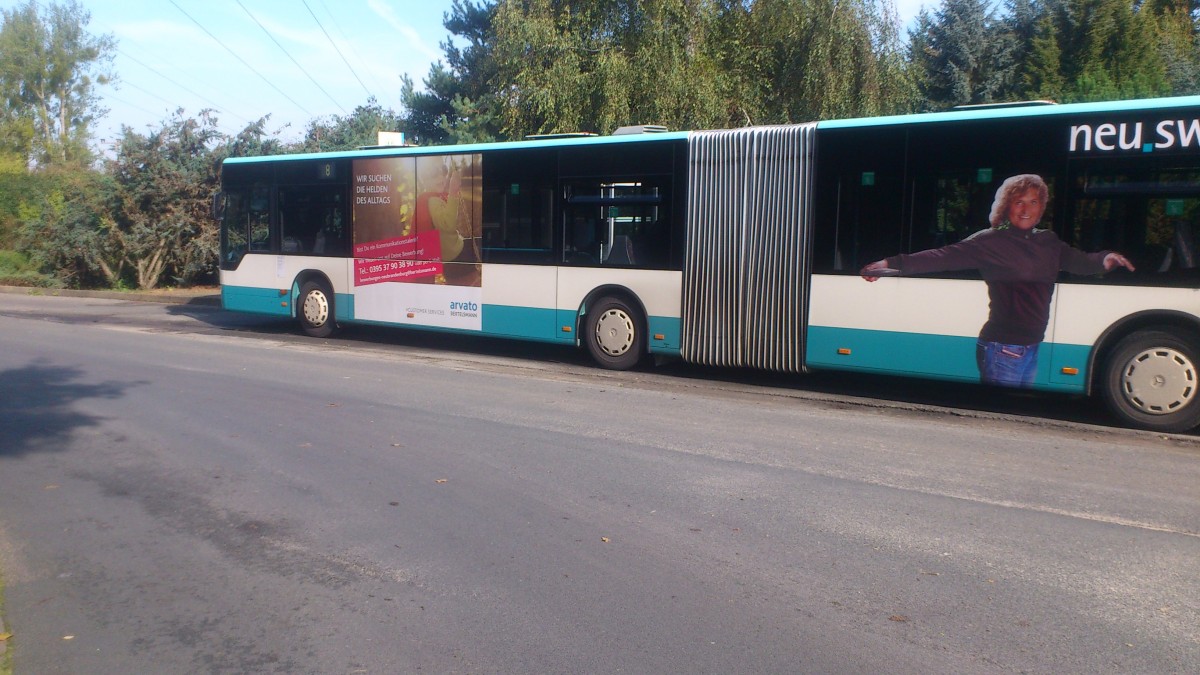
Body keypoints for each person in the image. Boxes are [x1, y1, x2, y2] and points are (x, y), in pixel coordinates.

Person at [860, 173, 1135, 387]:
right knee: (1005, 416)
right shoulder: (990, 242)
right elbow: (940, 256)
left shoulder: (1048, 241)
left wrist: (1105, 258)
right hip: (1003, 348)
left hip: (1032, 347)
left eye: (1033, 202)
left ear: (1041, 207)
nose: (1026, 209)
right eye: (1019, 202)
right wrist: (889, 264)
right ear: (1007, 206)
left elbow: (1080, 261)